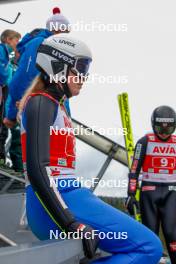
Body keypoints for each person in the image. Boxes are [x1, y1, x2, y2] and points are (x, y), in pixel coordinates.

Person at [19, 34, 162, 263]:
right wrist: (71, 222)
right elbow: (38, 169)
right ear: (58, 66)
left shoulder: (57, 106)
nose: (84, 77)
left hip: (65, 196)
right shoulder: (40, 102)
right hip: (59, 199)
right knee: (149, 247)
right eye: (80, 68)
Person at [4, 6, 71, 130]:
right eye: (65, 31)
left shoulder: (56, 47)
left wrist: (67, 115)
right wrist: (12, 115)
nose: (66, 36)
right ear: (56, 29)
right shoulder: (40, 44)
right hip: (40, 110)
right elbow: (23, 79)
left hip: (53, 111)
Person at [126, 105, 176, 264]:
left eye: (168, 130)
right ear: (153, 125)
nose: (163, 134)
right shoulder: (144, 141)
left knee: (171, 233)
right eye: (159, 129)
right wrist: (131, 194)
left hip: (171, 192)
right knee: (151, 235)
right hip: (149, 192)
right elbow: (134, 169)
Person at [0, 29, 21, 173]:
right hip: (4, 97)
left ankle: (3, 160)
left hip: (6, 99)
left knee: (4, 132)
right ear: (8, 39)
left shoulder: (7, 55)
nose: (17, 44)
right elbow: (3, 74)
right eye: (16, 40)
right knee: (2, 131)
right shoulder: (2, 51)